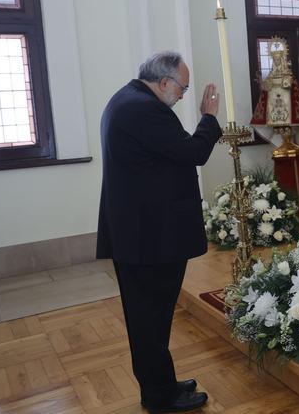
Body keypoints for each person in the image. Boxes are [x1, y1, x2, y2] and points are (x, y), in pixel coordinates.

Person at [96, 51, 221, 413]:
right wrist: (208, 117)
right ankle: (159, 396)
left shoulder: (127, 99)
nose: (184, 94)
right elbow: (193, 152)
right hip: (150, 238)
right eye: (182, 87)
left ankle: (161, 384)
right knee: (150, 318)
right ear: (164, 82)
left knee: (150, 316)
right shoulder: (143, 109)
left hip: (141, 233)